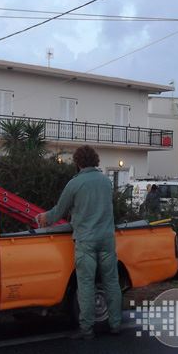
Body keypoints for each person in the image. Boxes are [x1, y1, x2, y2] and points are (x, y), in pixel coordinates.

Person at [36, 145, 121, 340]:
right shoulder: (105, 182)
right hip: (107, 240)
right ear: (96, 160)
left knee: (86, 285)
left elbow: (59, 211)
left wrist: (43, 218)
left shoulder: (74, 184)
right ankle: (116, 324)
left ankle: (87, 329)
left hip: (86, 241)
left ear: (77, 162)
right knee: (111, 282)